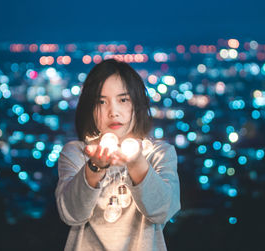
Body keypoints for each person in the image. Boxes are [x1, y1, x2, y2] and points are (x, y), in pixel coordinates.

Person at [55, 58, 181, 251]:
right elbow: (71, 214)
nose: (113, 112)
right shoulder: (77, 154)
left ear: (136, 105)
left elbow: (162, 211)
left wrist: (136, 162)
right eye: (100, 102)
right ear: (89, 109)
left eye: (123, 100)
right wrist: (94, 167)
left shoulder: (159, 154)